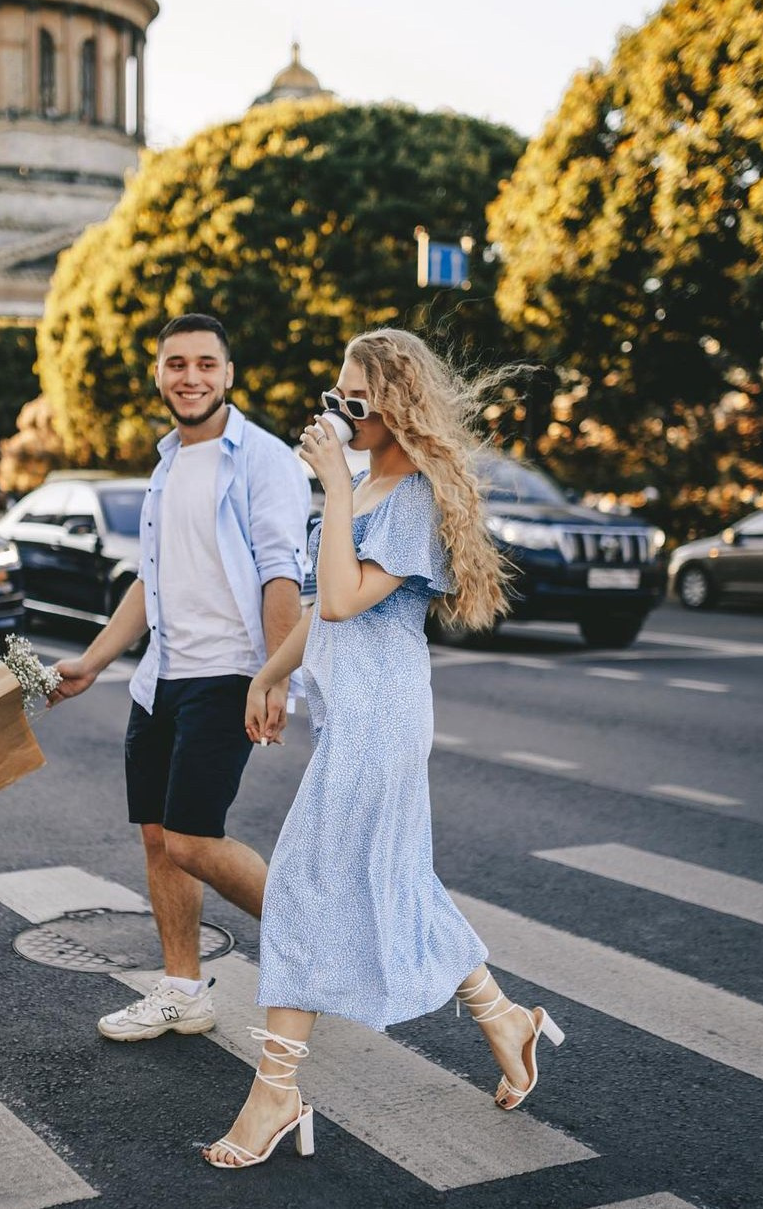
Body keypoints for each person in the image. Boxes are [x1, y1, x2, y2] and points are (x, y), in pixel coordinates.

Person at [203, 327, 565, 1170]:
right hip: (352, 714)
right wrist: (270, 674)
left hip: (385, 718)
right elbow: (319, 623)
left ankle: (275, 1095)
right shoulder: (364, 485)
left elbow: (336, 599)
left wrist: (330, 484)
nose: (335, 412)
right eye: (333, 396)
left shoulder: (412, 499)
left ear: (393, 402)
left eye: (351, 400)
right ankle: (505, 1019)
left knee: (300, 883)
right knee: (394, 880)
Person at [48, 312, 311, 1042]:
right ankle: (181, 990)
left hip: (227, 674)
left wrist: (274, 677)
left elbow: (281, 573)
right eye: (175, 364)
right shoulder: (167, 464)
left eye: (204, 364)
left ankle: (320, 940)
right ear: (158, 374)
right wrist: (95, 662)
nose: (189, 376)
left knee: (194, 840)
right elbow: (150, 580)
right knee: (160, 837)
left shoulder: (261, 459)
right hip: (161, 678)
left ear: (228, 374)